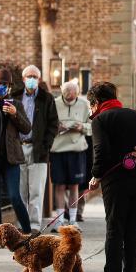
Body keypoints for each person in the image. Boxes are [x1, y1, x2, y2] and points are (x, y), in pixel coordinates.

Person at [87, 82, 136, 272]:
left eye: (91, 105)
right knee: (133, 231)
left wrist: (96, 176)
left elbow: (101, 151)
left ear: (96, 103)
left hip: (117, 181)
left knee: (115, 229)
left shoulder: (100, 120)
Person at [11, 65, 59, 232]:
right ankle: (21, 225)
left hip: (38, 150)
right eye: (29, 76)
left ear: (39, 79)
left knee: (36, 191)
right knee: (20, 191)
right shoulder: (15, 96)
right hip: (18, 149)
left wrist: (46, 145)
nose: (31, 79)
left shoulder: (47, 98)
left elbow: (54, 124)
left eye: (35, 76)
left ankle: (34, 226)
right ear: (23, 79)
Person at [0, 69, 33, 235]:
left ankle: (28, 231)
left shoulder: (16, 104)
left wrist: (15, 115)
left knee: (14, 196)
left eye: (4, 84)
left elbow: (27, 128)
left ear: (9, 87)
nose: (0, 87)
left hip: (11, 158)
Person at [50, 79, 91, 231]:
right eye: (67, 96)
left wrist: (82, 127)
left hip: (77, 150)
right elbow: (48, 124)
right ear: (62, 93)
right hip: (58, 150)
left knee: (74, 186)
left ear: (77, 94)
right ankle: (59, 221)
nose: (70, 98)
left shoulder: (83, 104)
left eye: (73, 96)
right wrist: (57, 127)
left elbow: (91, 125)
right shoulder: (54, 104)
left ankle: (73, 220)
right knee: (59, 185)